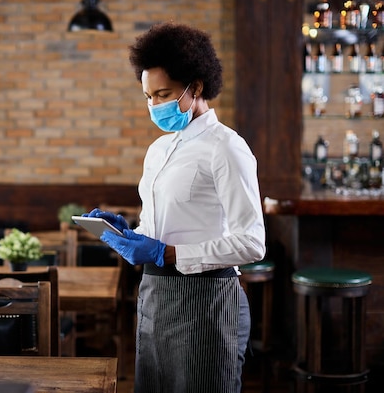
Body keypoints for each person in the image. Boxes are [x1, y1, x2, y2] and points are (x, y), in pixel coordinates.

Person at [84, 23, 266, 393]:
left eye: (163, 94)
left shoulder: (226, 147)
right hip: (154, 296)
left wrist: (167, 253)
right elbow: (162, 228)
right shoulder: (159, 151)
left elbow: (251, 242)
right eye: (148, 96)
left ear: (196, 87)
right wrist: (131, 232)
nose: (155, 106)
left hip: (207, 303)